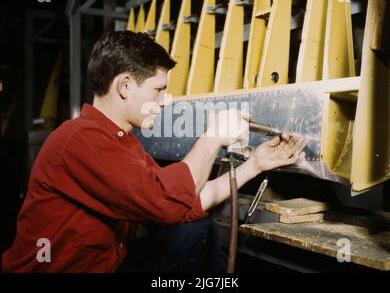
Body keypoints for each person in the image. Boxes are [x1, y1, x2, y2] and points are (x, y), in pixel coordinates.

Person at [2, 31, 307, 272]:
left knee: (197, 231)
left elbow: (183, 201)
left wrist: (254, 165)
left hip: (108, 265)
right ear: (124, 86)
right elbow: (166, 203)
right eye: (158, 89)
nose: (164, 101)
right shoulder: (80, 140)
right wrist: (212, 137)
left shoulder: (121, 142)